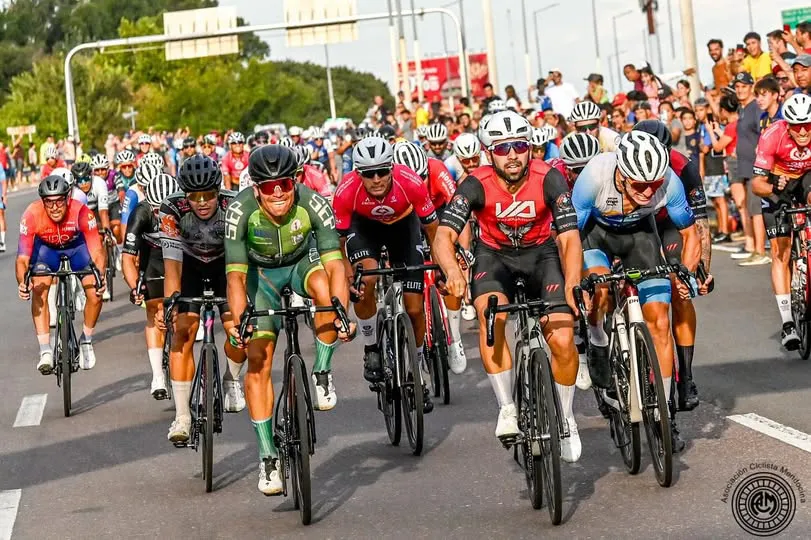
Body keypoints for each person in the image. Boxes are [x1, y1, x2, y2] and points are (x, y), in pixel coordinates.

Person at [431, 110, 583, 460]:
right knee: (492, 317)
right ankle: (507, 406)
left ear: (530, 147)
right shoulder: (475, 183)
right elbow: (443, 237)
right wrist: (454, 272)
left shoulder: (549, 178)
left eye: (519, 145)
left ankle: (567, 419)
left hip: (542, 257)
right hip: (495, 258)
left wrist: (573, 282)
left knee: (561, 338)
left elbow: (570, 239)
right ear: (488, 152)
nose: (512, 154)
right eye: (502, 148)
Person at [572, 131, 701, 450]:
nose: (648, 191)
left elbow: (690, 232)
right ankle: (598, 337)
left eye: (653, 185)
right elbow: (568, 237)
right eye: (639, 185)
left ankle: (664, 411)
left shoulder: (669, 182)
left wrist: (684, 273)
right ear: (621, 173)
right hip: (596, 236)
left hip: (640, 236)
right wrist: (577, 283)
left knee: (659, 319)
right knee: (600, 290)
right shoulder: (594, 177)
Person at [333, 136, 437, 412]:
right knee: (365, 280)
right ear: (358, 173)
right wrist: (344, 270)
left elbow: (433, 228)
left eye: (382, 171)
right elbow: (338, 242)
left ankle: (417, 372)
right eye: (369, 173)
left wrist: (439, 263)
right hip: (364, 228)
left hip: (404, 228)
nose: (377, 178)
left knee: (415, 308)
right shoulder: (346, 191)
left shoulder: (411, 182)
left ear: (392, 167)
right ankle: (371, 348)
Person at [155, 155, 247, 445]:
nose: (203, 201)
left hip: (226, 266)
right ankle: (182, 416)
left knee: (238, 329)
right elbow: (172, 266)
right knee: (182, 331)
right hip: (189, 267)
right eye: (196, 196)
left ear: (219, 191)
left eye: (209, 194)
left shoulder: (234, 205)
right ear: (185, 195)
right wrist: (170, 303)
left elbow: (241, 262)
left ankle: (232, 378)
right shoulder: (171, 208)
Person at [16, 175, 106, 373]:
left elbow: (97, 251)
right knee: (39, 287)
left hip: (77, 247)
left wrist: (101, 274)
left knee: (95, 292)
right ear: (43, 201)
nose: (55, 207)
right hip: (46, 250)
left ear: (67, 198)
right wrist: (23, 281)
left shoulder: (82, 212)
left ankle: (86, 341)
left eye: (59, 201)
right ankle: (45, 350)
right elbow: (22, 258)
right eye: (49, 202)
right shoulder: (31, 215)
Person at [392, 142, 469, 373]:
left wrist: (462, 251)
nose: (418, 183)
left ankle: (455, 339)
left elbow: (459, 212)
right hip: (407, 218)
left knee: (449, 270)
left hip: (439, 213)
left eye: (422, 177)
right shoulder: (391, 184)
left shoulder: (438, 170)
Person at [751, 93, 811, 350]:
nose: (802, 131)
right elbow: (756, 184)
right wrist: (774, 188)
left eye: (807, 125)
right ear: (787, 124)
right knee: (781, 251)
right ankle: (788, 323)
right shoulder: (772, 135)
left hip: (805, 179)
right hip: (776, 186)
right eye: (796, 126)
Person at [122, 174, 179, 399]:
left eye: (167, 209)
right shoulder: (141, 213)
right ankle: (158, 375)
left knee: (185, 314)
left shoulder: (186, 211)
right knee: (153, 310)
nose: (163, 215)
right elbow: (127, 258)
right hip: (153, 261)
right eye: (157, 211)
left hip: (180, 259)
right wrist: (136, 285)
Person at [734, 72, 771, 266]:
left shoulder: (755, 107)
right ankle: (755, 248)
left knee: (756, 209)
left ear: (751, 87)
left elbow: (764, 131)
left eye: (744, 86)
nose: (740, 89)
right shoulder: (744, 109)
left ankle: (760, 251)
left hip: (758, 166)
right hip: (746, 167)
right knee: (751, 208)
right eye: (738, 86)